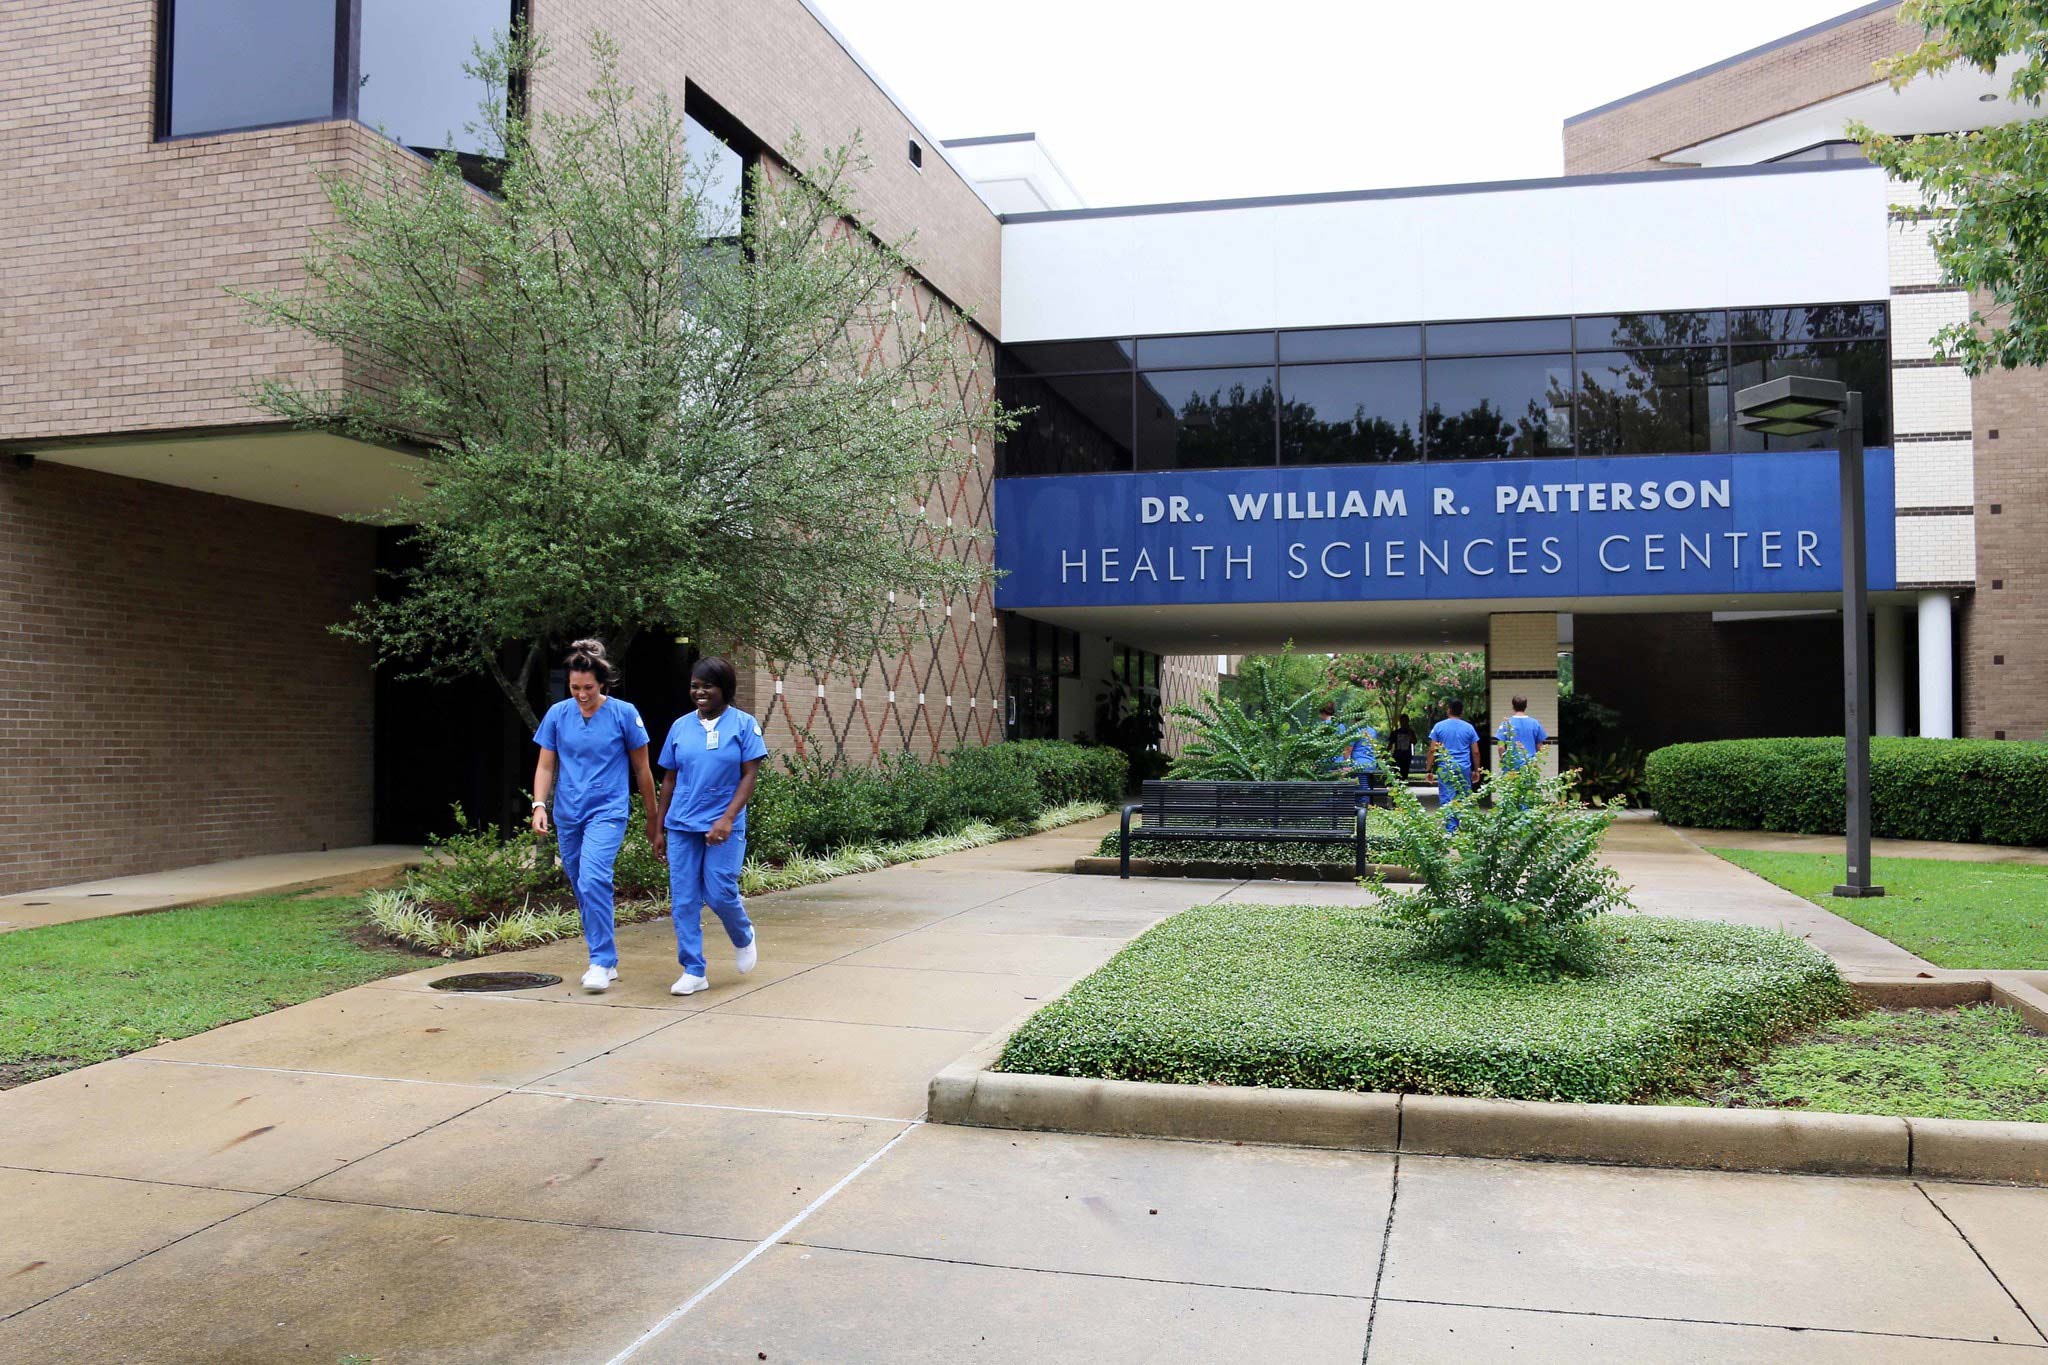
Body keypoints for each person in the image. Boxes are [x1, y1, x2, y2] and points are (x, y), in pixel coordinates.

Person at [531, 639, 662, 995]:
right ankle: (606, 957)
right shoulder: (558, 715)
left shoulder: (623, 713)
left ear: (602, 683)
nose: (582, 694)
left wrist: (653, 818)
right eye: (575, 688)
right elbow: (545, 765)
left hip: (607, 811)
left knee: (593, 879)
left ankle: (601, 961)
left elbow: (643, 770)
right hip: (568, 814)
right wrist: (538, 805)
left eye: (588, 687)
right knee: (581, 884)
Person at [655, 656, 765, 996]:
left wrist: (728, 818)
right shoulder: (680, 727)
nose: (699, 692)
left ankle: (743, 935)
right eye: (694, 686)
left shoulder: (743, 725)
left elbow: (750, 775)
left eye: (707, 686)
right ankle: (693, 970)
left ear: (725, 689)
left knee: (718, 892)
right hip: (682, 824)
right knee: (684, 900)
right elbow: (669, 780)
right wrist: (658, 828)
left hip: (724, 823)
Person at [1426, 699, 1483, 832]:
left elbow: (1432, 750)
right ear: (1461, 712)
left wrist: (1429, 769)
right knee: (1463, 796)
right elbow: (1476, 751)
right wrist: (1477, 770)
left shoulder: (1439, 727)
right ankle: (1466, 828)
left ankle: (1450, 829)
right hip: (1464, 768)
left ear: (1448, 710)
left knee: (1447, 796)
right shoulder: (1469, 728)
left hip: (1445, 767)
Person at [1321, 700, 1382, 806]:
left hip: (1359, 764)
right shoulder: (1372, 731)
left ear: (1355, 717)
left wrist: (1344, 763)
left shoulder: (1355, 731)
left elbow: (1348, 749)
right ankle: (1362, 804)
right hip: (1371, 763)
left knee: (1359, 785)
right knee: (1362, 784)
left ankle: (1362, 805)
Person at [1496, 695, 1550, 772]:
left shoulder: (1505, 723)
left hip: (1511, 766)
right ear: (1526, 706)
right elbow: (1540, 747)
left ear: (1513, 706)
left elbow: (1501, 747)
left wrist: (1503, 761)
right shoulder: (1535, 723)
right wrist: (1535, 761)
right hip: (1529, 765)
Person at [1390, 714, 1417, 780]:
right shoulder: (1396, 732)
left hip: (1406, 756)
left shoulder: (1411, 732)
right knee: (1397, 774)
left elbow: (1414, 742)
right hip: (1397, 756)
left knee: (1404, 774)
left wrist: (1410, 734)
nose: (1404, 723)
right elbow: (1390, 744)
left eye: (1406, 721)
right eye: (1402, 721)